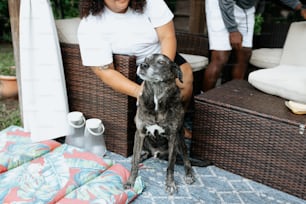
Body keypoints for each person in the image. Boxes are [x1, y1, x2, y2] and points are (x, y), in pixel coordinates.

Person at [77, 0, 194, 137]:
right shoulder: (90, 25)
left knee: (185, 77)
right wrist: (141, 91)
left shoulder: (151, 2)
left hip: (161, 57)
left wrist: (160, 72)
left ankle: (177, 122)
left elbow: (167, 36)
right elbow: (104, 70)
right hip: (133, 68)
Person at [203, 0, 306, 92]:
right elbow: (225, 2)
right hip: (221, 5)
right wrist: (233, 30)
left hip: (245, 7)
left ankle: (234, 95)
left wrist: (300, 7)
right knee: (220, 57)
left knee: (245, 53)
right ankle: (204, 101)